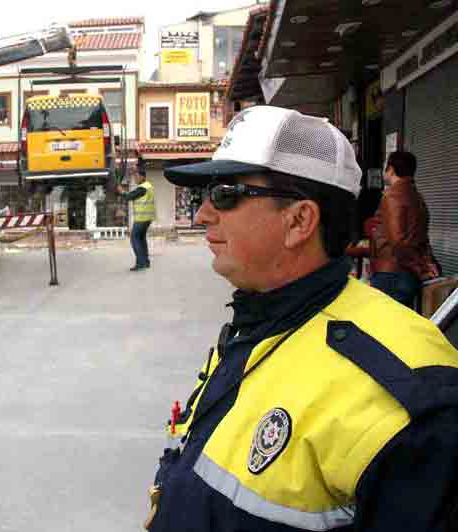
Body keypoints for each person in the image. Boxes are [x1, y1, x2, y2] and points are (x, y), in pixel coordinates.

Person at [150, 106, 458, 532]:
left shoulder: (410, 394)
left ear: (299, 221)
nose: (202, 215)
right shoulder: (257, 322)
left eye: (224, 194)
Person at [369, 151, 441, 309]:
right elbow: (422, 239)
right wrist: (425, 264)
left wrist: (421, 268)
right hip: (406, 276)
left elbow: (398, 241)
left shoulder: (392, 196)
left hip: (391, 275)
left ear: (391, 169)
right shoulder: (417, 197)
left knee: (380, 328)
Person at [118, 159, 155, 271]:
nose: (135, 178)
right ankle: (145, 262)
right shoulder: (148, 186)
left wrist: (121, 191)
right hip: (147, 218)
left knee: (134, 239)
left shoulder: (143, 188)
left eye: (136, 176)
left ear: (142, 176)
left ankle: (141, 263)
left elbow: (129, 196)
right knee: (141, 239)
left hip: (142, 218)